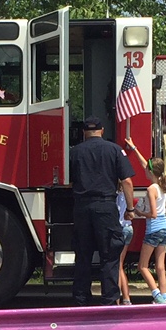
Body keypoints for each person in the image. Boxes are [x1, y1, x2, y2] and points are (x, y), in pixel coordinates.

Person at [69, 117, 135, 306]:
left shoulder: (75, 152)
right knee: (110, 255)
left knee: (83, 255)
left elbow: (69, 180)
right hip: (106, 207)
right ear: (102, 130)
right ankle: (109, 301)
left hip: (81, 207)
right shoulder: (114, 150)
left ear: (84, 132)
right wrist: (129, 209)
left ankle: (81, 301)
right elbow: (127, 181)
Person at [136, 157, 166, 304]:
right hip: (165, 228)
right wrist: (135, 149)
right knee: (160, 266)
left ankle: (157, 296)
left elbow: (153, 214)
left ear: (150, 172)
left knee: (142, 266)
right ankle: (164, 297)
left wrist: (140, 213)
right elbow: (147, 165)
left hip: (154, 229)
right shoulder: (161, 186)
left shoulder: (151, 189)